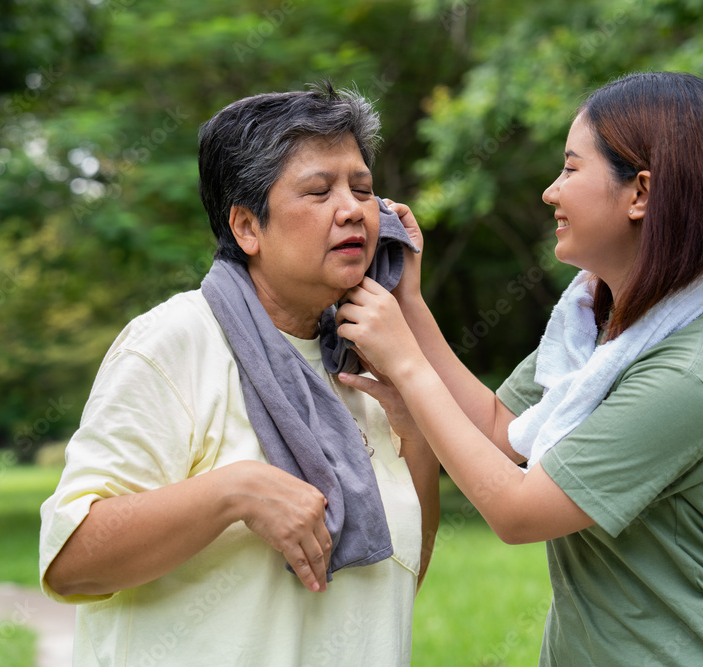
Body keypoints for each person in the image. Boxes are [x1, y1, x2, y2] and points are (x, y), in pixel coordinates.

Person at [336, 72, 703, 665]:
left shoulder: (688, 372)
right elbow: (500, 428)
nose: (551, 192)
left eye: (571, 169)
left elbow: (519, 512)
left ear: (640, 193)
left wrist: (407, 364)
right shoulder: (597, 322)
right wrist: (410, 304)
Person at [39, 84, 439, 666]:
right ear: (248, 227)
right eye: (319, 191)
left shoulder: (372, 356)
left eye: (362, 188)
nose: (353, 209)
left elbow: (399, 579)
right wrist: (235, 491)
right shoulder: (176, 342)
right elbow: (70, 563)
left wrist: (415, 424)